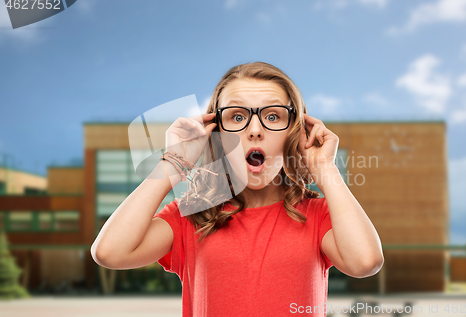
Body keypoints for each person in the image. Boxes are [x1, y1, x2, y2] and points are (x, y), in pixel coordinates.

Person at [91, 61, 384, 316]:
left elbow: (365, 262)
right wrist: (174, 162)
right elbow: (110, 253)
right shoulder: (193, 216)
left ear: (293, 132)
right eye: (237, 116)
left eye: (272, 116)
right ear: (217, 134)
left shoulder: (317, 215)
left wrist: (325, 170)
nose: (255, 129)